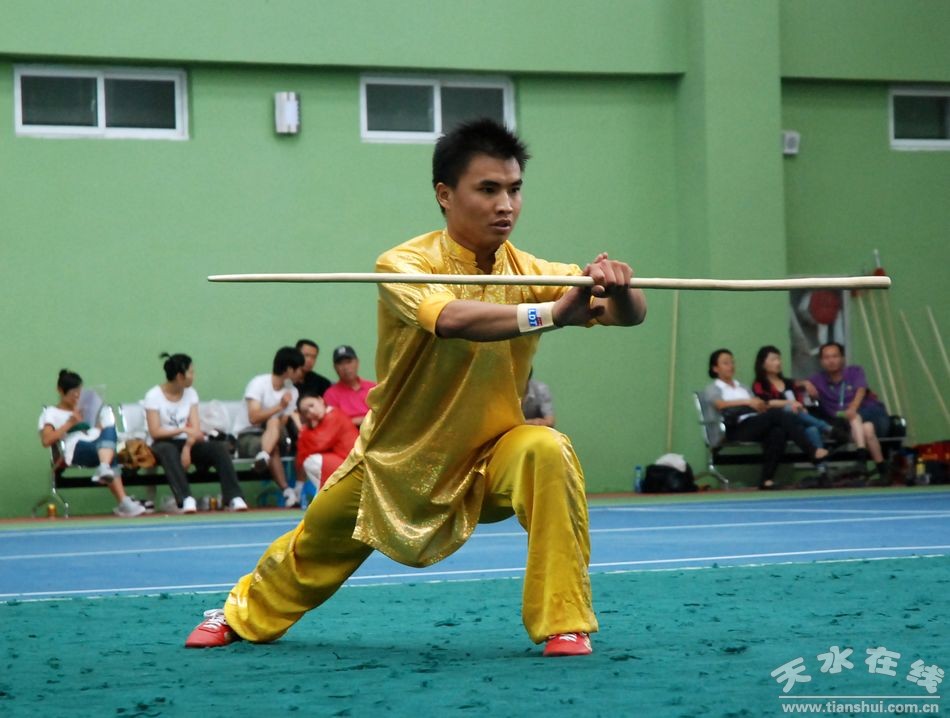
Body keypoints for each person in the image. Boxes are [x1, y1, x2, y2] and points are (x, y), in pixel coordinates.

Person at [185, 118, 647, 657]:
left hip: (489, 457)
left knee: (548, 450)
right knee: (314, 547)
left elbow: (627, 315)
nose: (506, 205)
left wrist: (619, 287)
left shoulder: (532, 271)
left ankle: (565, 623)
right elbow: (451, 319)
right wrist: (550, 313)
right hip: (394, 460)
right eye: (488, 189)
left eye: (515, 189)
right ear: (445, 195)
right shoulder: (403, 264)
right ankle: (240, 613)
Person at [704, 349, 829, 489]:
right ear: (715, 368)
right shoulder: (714, 388)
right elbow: (720, 405)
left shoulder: (742, 387)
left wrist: (759, 404)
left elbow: (758, 404)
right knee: (778, 414)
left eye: (732, 362)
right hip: (734, 427)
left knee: (777, 432)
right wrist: (747, 402)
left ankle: (766, 480)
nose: (731, 366)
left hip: (754, 423)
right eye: (725, 363)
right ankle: (811, 450)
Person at [144, 353, 248, 513]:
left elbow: (196, 430)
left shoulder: (191, 393)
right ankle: (185, 499)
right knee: (168, 450)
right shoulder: (153, 396)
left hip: (188, 441)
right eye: (191, 372)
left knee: (218, 449)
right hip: (162, 443)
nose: (193, 376)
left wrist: (187, 448)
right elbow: (155, 431)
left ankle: (234, 497)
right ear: (180, 376)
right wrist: (182, 429)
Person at [38, 369, 145, 517]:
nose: (77, 397)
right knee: (109, 452)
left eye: (79, 393)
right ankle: (121, 497)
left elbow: (100, 430)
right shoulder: (51, 413)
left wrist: (97, 418)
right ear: (61, 391)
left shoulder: (85, 408)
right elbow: (46, 440)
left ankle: (107, 473)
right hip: (75, 447)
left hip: (96, 442)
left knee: (109, 428)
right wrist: (70, 423)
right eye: (72, 394)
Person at [233, 346, 305, 508]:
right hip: (248, 436)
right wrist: (279, 406)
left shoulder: (292, 392)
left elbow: (283, 423)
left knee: (274, 422)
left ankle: (264, 456)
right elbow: (253, 417)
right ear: (289, 369)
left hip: (275, 434)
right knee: (274, 447)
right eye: (299, 369)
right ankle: (287, 491)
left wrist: (278, 417)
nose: (301, 373)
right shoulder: (258, 384)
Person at [806, 342, 890, 478]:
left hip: (872, 414)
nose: (831, 360)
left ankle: (861, 459)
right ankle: (882, 470)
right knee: (867, 429)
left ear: (842, 358)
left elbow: (861, 390)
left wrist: (853, 407)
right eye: (826, 357)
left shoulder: (855, 371)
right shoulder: (817, 380)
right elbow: (793, 384)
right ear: (821, 361)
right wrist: (805, 383)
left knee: (854, 416)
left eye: (835, 356)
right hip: (851, 427)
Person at [751, 345, 836, 450]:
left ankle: (821, 459)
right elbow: (765, 403)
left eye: (779, 359)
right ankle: (826, 427)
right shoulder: (760, 384)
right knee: (788, 409)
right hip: (778, 424)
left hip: (798, 420)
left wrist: (801, 407)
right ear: (763, 364)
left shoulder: (789, 383)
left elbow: (799, 402)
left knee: (812, 430)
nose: (778, 363)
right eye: (773, 360)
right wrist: (789, 403)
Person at [292, 392, 359, 504]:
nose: (311, 412)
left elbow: (316, 444)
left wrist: (301, 428)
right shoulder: (323, 419)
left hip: (352, 467)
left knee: (311, 460)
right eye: (306, 412)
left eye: (311, 405)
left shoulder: (333, 416)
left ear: (320, 400)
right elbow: (303, 451)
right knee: (309, 459)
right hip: (347, 465)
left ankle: (325, 499)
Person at [322, 345, 376, 427]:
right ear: (335, 367)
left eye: (349, 362)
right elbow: (334, 424)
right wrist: (362, 420)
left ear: (357, 363)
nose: (346, 367)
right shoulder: (330, 394)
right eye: (340, 363)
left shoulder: (373, 387)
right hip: (349, 432)